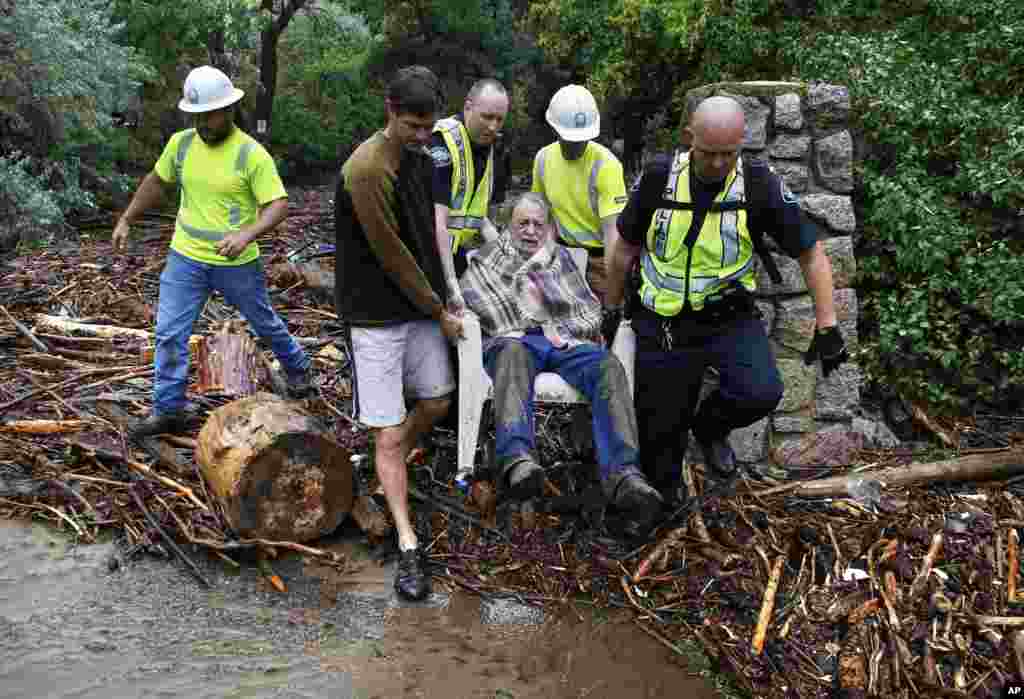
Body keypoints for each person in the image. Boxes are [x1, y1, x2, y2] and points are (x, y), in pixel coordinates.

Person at [605, 95, 850, 503]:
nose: (719, 164)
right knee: (660, 439)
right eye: (709, 153)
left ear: (742, 143)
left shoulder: (757, 182)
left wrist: (827, 324)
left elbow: (810, 252)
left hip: (728, 314)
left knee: (761, 391)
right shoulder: (660, 178)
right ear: (690, 138)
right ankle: (664, 507)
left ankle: (710, 428)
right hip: (664, 320)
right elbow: (624, 249)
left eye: (728, 154)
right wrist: (612, 308)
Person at [112, 65, 311, 439]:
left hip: (236, 263)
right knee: (169, 333)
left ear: (230, 109)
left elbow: (278, 204)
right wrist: (127, 218)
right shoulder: (181, 145)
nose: (203, 123)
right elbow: (156, 181)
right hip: (185, 257)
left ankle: (298, 368)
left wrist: (247, 235)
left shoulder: (250, 154)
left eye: (210, 115)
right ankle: (169, 408)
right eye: (197, 116)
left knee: (263, 321)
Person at [459, 192, 663, 538]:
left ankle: (624, 475)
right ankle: (517, 461)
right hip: (513, 339)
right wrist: (527, 322)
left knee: (608, 366)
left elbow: (586, 309)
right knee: (511, 352)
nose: (530, 230)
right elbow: (475, 298)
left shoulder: (559, 258)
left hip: (563, 339)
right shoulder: (488, 257)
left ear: (548, 229)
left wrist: (560, 330)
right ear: (509, 226)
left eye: (538, 224)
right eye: (523, 223)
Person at [334, 66, 463, 602]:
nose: (422, 136)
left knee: (437, 400)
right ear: (390, 111)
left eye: (429, 127)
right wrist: (438, 309)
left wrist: (448, 293)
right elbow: (392, 253)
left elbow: (429, 236)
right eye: (412, 126)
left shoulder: (422, 158)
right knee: (387, 433)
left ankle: (385, 462)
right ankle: (409, 544)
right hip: (374, 316)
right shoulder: (365, 169)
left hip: (419, 309)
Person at [531, 85, 628, 303]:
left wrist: (613, 291)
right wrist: (543, 260)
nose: (577, 144)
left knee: (601, 316)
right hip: (561, 254)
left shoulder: (606, 165)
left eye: (582, 139)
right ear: (554, 130)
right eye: (570, 139)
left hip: (600, 260)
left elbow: (613, 234)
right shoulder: (543, 159)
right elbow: (543, 218)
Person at [429, 78, 510, 309]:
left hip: (457, 252)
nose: (493, 126)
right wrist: (451, 283)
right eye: (487, 117)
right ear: (468, 107)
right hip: (429, 252)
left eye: (499, 119)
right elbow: (439, 221)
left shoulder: (494, 149)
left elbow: (477, 214)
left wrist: (507, 257)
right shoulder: (443, 141)